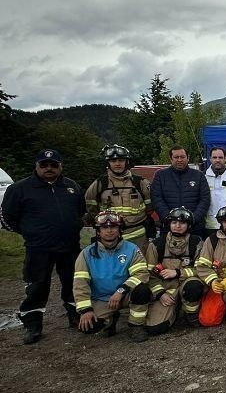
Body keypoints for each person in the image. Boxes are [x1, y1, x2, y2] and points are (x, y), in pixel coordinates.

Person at [2, 149, 86, 344]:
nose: (49, 168)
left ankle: (75, 316)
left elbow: (80, 213)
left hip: (69, 246)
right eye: (44, 165)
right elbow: (7, 217)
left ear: (60, 166)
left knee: (74, 282)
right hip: (38, 247)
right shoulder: (20, 188)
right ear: (37, 165)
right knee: (37, 285)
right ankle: (32, 324)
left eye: (53, 165)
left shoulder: (71, 186)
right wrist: (29, 232)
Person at [73, 210, 151, 342]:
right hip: (102, 299)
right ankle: (110, 320)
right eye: (105, 227)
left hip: (125, 295)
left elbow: (141, 274)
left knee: (142, 290)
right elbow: (80, 283)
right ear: (98, 231)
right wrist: (86, 310)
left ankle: (136, 325)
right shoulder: (86, 254)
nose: (109, 230)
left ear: (119, 229)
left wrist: (121, 291)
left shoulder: (131, 249)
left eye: (113, 226)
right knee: (89, 328)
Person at [144, 207, 205, 334]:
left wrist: (178, 273)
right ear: (169, 224)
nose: (177, 226)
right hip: (166, 289)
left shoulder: (196, 242)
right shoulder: (156, 245)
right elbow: (149, 275)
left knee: (194, 286)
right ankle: (174, 309)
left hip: (186, 283)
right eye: (174, 222)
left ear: (188, 225)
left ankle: (191, 314)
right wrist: (160, 294)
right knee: (155, 328)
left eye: (182, 223)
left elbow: (202, 269)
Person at [85, 144, 154, 251]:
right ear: (108, 163)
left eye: (121, 160)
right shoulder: (99, 184)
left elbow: (150, 207)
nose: (117, 164)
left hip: (138, 237)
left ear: (127, 162)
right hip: (110, 237)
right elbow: (91, 208)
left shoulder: (140, 183)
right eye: (113, 161)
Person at [150, 145, 211, 238]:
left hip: (195, 228)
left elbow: (205, 199)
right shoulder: (160, 176)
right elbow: (156, 198)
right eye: (176, 157)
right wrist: (170, 219)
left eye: (182, 157)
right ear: (171, 159)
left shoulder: (199, 175)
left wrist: (193, 218)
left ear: (188, 158)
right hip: (168, 228)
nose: (179, 160)